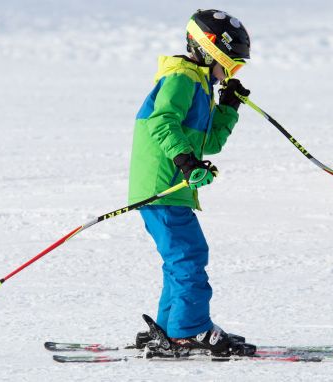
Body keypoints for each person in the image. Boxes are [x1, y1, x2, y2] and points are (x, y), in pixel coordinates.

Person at [128, 9, 251, 353]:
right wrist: (184, 161)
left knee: (181, 257)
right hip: (162, 186)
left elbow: (207, 143)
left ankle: (169, 328)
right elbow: (161, 121)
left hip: (170, 189)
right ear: (209, 51)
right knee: (189, 257)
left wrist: (228, 107)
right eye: (230, 64)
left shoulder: (198, 85)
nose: (229, 73)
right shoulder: (181, 78)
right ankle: (189, 329)